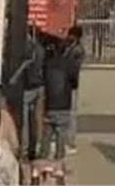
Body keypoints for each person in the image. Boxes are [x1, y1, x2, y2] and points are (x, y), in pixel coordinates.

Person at [40, 37, 77, 168]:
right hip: (64, 104)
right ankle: (59, 162)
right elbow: (74, 82)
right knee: (61, 134)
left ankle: (43, 160)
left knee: (46, 134)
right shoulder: (69, 64)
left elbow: (43, 80)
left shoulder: (47, 64)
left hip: (49, 104)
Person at [20, 28, 45, 160]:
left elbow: (24, 65)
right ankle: (36, 147)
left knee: (25, 120)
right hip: (40, 86)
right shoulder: (40, 49)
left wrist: (14, 78)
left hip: (28, 87)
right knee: (37, 119)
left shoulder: (27, 47)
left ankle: (25, 149)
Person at [65, 25, 86, 152]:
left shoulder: (78, 50)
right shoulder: (70, 47)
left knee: (71, 113)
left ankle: (70, 141)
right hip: (67, 83)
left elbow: (73, 67)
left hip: (72, 83)